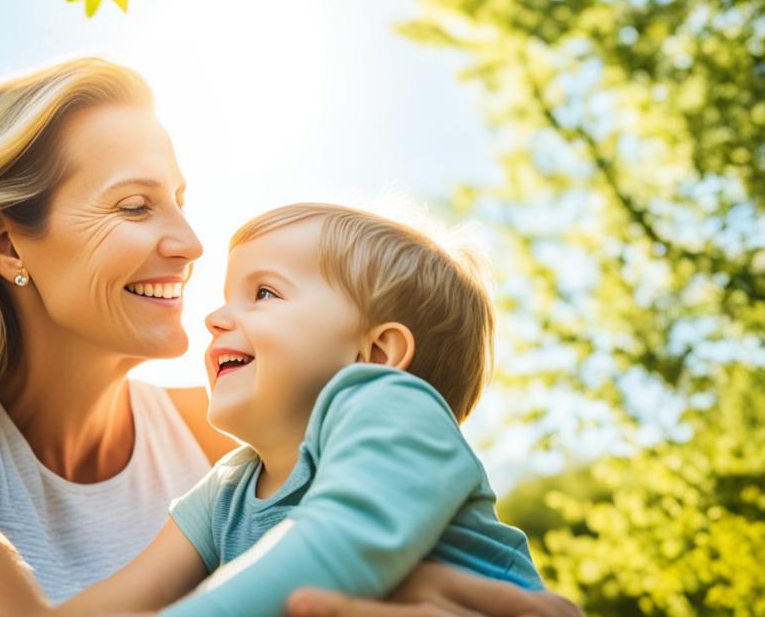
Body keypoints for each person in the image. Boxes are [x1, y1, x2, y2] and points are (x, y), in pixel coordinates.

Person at [0, 58, 581, 617]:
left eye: (178, 201)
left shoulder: (232, 442)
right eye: (136, 207)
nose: (190, 242)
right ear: (7, 247)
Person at [53, 203, 542, 617]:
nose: (215, 318)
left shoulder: (399, 411)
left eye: (264, 293)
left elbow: (339, 549)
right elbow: (126, 599)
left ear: (378, 356)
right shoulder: (227, 488)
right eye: (227, 297)